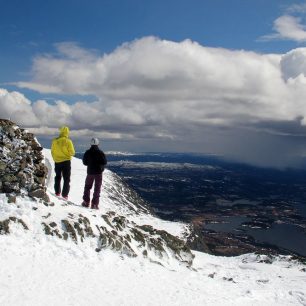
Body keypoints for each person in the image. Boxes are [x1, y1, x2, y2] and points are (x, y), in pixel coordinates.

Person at [82, 138, 107, 209]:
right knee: (97, 188)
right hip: (98, 172)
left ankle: (86, 202)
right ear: (98, 144)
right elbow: (105, 162)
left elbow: (84, 162)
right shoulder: (100, 152)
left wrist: (90, 164)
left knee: (87, 187)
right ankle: (94, 204)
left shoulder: (87, 152)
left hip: (90, 172)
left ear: (90, 144)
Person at [51, 126, 75, 200]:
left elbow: (52, 151)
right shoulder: (68, 141)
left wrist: (56, 158)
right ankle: (65, 195)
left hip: (57, 161)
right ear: (67, 132)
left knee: (58, 177)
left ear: (60, 132)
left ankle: (57, 192)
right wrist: (66, 154)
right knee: (66, 178)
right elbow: (72, 152)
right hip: (66, 162)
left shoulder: (55, 141)